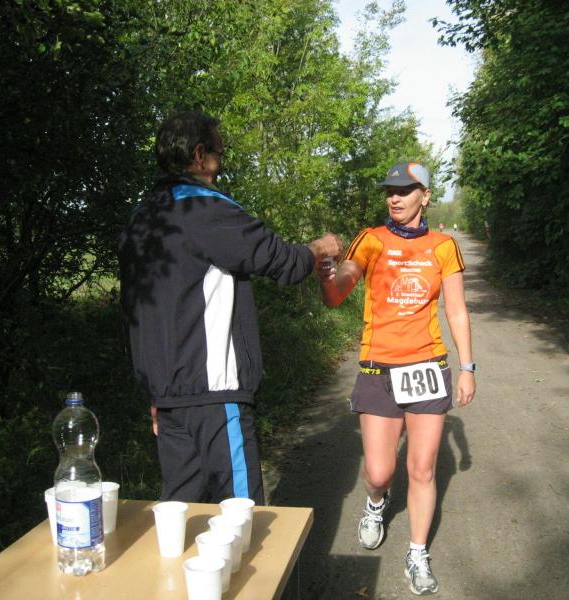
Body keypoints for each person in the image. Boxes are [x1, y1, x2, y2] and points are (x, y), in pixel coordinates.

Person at [118, 110, 342, 505]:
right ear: (199, 156)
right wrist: (321, 247)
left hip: (168, 402)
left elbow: (140, 314)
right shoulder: (206, 210)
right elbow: (284, 262)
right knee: (241, 519)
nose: (221, 166)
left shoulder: (141, 219)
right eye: (219, 154)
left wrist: (158, 393)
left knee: (184, 519)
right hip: (216, 399)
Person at [317, 161, 475, 595]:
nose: (395, 197)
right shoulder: (371, 240)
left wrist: (467, 368)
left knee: (422, 469)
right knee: (379, 471)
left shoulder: (444, 246)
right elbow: (338, 294)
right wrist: (326, 276)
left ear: (425, 195)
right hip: (379, 369)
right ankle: (376, 502)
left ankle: (417, 553)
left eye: (405, 190)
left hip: (427, 368)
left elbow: (456, 310)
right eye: (390, 190)